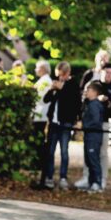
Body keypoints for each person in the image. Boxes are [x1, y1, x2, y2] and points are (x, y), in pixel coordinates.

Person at [76, 62, 111, 190]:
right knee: (89, 153)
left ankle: (101, 179)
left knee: (102, 153)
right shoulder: (94, 85)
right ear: (102, 71)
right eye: (107, 72)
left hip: (103, 124)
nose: (109, 75)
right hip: (90, 125)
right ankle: (87, 177)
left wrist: (106, 102)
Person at [43, 61, 81, 189]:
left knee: (64, 151)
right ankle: (49, 176)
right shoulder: (56, 84)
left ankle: (63, 177)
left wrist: (62, 89)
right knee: (50, 151)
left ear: (68, 73)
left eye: (62, 75)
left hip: (65, 123)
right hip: (54, 123)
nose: (60, 78)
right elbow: (46, 99)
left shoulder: (73, 85)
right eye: (58, 75)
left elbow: (74, 102)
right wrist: (52, 89)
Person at [31, 60, 52, 189]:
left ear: (43, 69)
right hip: (39, 116)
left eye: (37, 68)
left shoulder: (46, 82)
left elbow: (40, 100)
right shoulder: (44, 81)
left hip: (41, 117)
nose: (35, 70)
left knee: (39, 143)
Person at [81, 81, 105, 192]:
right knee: (89, 160)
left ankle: (97, 182)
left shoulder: (95, 105)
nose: (86, 92)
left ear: (95, 92)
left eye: (89, 90)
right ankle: (92, 182)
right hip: (89, 135)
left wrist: (84, 126)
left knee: (93, 159)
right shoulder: (89, 104)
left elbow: (96, 121)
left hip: (93, 136)